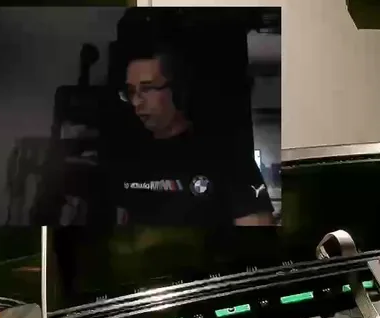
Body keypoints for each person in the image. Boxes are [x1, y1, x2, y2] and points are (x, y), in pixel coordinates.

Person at [112, 43, 274, 226]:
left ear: (177, 91)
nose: (136, 102)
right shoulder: (128, 159)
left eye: (147, 88)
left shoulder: (228, 156)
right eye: (131, 92)